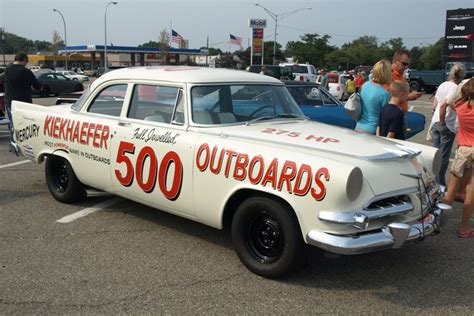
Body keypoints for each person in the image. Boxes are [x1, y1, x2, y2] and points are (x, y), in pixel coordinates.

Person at [442, 78, 474, 238]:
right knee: (471, 188)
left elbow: (450, 102)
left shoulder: (460, 106)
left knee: (452, 187)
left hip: (463, 149)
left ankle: (439, 221)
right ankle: (464, 227)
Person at [429, 63, 465, 188]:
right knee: (443, 157)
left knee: (435, 155)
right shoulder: (455, 87)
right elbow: (445, 104)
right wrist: (445, 120)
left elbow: (436, 104)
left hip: (435, 122)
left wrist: (436, 118)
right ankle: (440, 183)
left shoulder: (443, 85)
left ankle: (433, 181)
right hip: (445, 124)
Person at [4, 52, 42, 144]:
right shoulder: (26, 71)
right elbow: (37, 86)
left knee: (13, 123)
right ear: (25, 60)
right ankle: (25, 143)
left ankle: (13, 142)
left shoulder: (7, 70)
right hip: (23, 103)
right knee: (25, 124)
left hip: (10, 101)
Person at [355, 59, 391, 135]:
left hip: (359, 126)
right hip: (373, 130)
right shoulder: (384, 94)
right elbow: (386, 117)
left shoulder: (365, 85)